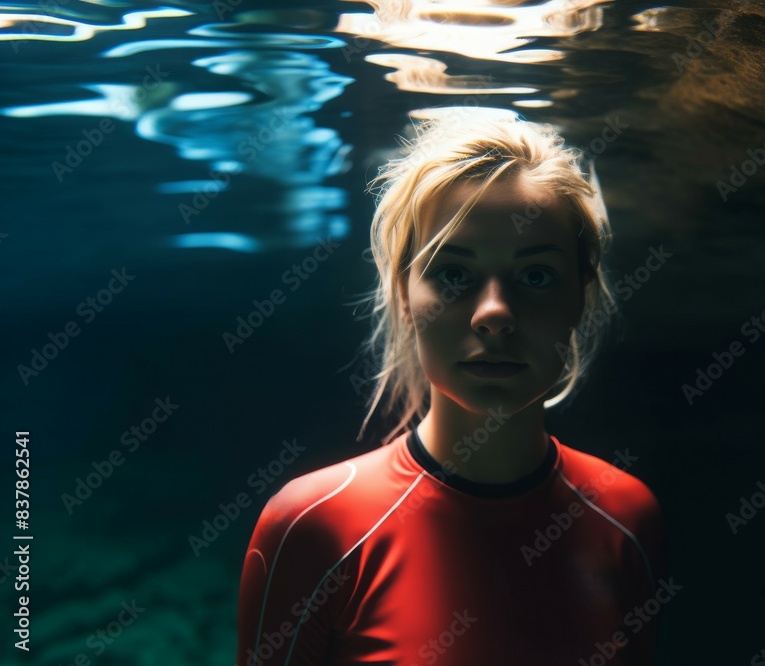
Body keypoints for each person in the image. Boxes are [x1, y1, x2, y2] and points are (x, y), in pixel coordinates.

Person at [235, 111, 667, 666]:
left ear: (580, 293)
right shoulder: (310, 527)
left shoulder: (630, 520)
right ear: (403, 294)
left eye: (536, 275)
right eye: (453, 273)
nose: (494, 314)